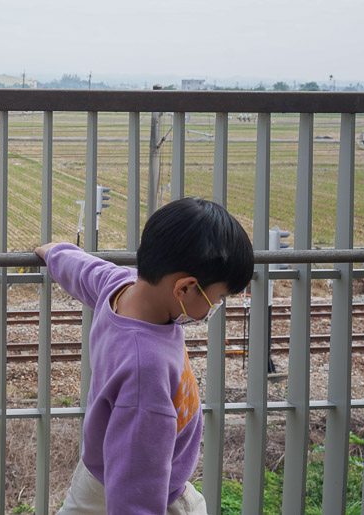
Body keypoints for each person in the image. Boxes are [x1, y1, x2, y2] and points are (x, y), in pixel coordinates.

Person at [36, 197, 253, 515]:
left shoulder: (122, 285)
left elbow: (83, 270)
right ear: (184, 289)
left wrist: (53, 251)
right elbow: (138, 483)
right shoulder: (146, 368)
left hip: (98, 472)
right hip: (152, 491)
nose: (214, 308)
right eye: (218, 298)